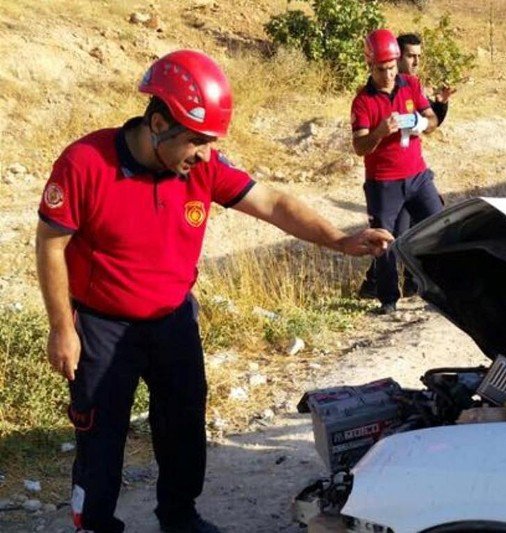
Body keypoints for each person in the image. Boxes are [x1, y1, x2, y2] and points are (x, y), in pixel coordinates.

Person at [35, 49, 393, 533]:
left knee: (184, 430)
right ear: (158, 123)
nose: (205, 153)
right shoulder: (86, 163)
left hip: (173, 321)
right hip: (101, 327)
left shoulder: (201, 167)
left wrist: (337, 239)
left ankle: (179, 517)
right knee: (101, 440)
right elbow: (51, 244)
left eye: (209, 143)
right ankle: (95, 524)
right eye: (195, 141)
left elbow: (274, 203)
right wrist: (62, 328)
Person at [351, 29, 444, 314]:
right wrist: (379, 132)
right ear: (370, 65)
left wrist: (419, 121)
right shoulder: (362, 101)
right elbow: (359, 146)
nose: (389, 75)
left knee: (439, 226)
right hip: (384, 183)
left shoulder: (411, 85)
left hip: (417, 175)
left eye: (392, 68)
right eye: (381, 70)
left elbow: (433, 119)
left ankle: (441, 290)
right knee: (384, 242)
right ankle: (388, 301)